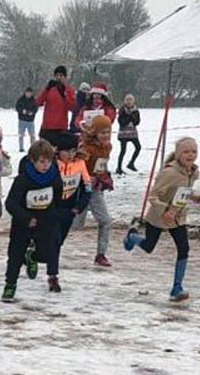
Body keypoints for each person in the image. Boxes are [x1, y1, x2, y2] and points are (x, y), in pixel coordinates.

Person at [124, 137, 200, 302]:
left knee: (184, 248)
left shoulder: (193, 172)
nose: (190, 155)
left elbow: (183, 190)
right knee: (149, 246)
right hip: (159, 216)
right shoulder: (169, 172)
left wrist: (194, 196)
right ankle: (131, 236)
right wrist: (165, 210)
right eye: (186, 152)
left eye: (193, 151)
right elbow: (153, 196)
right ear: (179, 154)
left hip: (177, 218)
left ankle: (176, 288)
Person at [1, 140, 63, 302]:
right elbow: (10, 204)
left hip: (45, 223)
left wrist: (53, 217)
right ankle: (10, 285)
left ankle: (32, 257)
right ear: (33, 161)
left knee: (47, 254)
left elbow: (56, 199)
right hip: (23, 223)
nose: (45, 165)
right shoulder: (22, 180)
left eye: (48, 161)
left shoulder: (54, 177)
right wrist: (26, 218)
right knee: (15, 255)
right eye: (41, 162)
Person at [74, 116, 114, 267]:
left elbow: (102, 166)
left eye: (108, 132)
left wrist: (105, 177)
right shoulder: (87, 148)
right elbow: (78, 166)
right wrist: (88, 177)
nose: (106, 135)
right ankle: (45, 243)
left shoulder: (107, 147)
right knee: (76, 224)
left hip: (96, 190)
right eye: (102, 132)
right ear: (95, 133)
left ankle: (101, 254)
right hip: (82, 189)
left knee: (105, 221)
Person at [54, 132, 91, 261]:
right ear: (59, 151)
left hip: (69, 208)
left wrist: (78, 207)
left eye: (73, 151)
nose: (70, 155)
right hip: (52, 208)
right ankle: (53, 272)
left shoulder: (80, 164)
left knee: (59, 241)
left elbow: (87, 188)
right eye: (66, 152)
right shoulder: (53, 164)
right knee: (51, 238)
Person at [36, 66, 76, 146]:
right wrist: (46, 89)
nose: (58, 78)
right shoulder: (50, 89)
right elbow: (38, 102)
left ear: (65, 77)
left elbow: (72, 106)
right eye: (57, 75)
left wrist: (65, 93)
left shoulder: (69, 90)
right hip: (47, 127)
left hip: (61, 127)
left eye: (61, 76)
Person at [116, 94, 141, 174]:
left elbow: (137, 122)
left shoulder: (136, 110)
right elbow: (121, 122)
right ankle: (119, 168)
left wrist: (132, 119)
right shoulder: (122, 110)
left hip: (133, 133)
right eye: (127, 100)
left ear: (133, 101)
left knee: (138, 147)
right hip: (123, 133)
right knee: (123, 150)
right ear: (124, 101)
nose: (129, 101)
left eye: (130, 100)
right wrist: (130, 117)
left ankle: (131, 163)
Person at [15, 87, 39, 152]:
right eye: (27, 93)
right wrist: (22, 111)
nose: (28, 94)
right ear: (25, 92)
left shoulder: (34, 100)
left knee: (32, 135)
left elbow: (36, 108)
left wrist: (32, 112)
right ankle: (21, 148)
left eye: (30, 93)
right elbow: (17, 107)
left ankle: (33, 148)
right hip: (22, 120)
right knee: (21, 135)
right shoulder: (20, 100)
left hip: (30, 121)